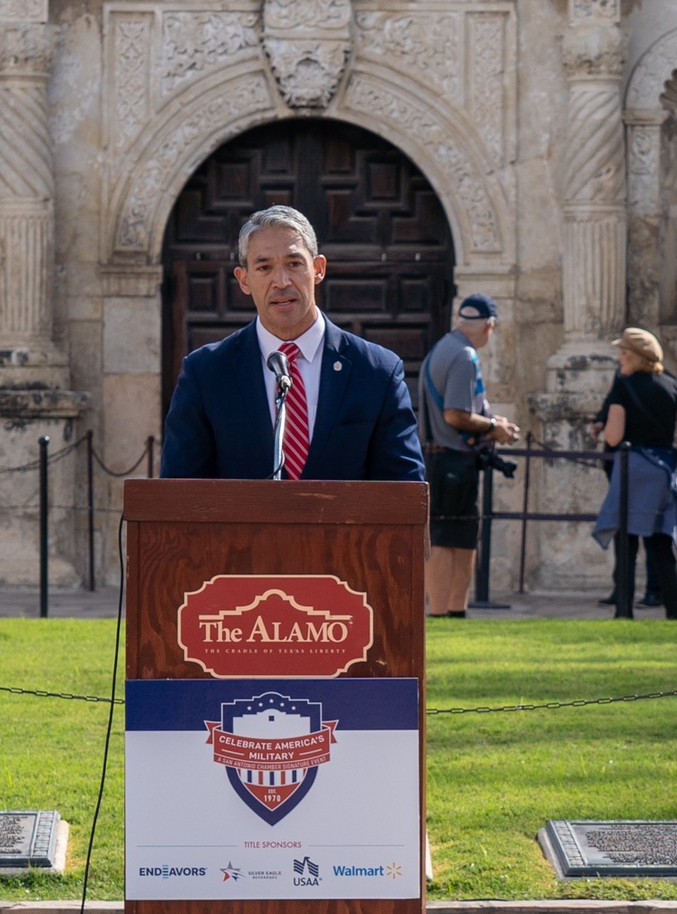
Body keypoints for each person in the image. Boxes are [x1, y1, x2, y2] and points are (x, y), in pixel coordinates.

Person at [160, 205, 424, 482]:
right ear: (244, 279)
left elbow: (404, 490)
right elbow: (180, 493)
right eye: (264, 267)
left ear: (318, 269)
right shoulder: (206, 373)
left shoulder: (377, 371)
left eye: (294, 264)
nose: (281, 282)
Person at [420, 295, 520, 617]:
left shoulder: (444, 348)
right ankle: (442, 612)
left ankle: (452, 611)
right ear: (489, 326)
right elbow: (455, 415)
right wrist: (494, 427)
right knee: (446, 535)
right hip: (452, 459)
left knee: (458, 536)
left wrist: (491, 425)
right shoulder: (464, 356)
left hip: (442, 457)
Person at [592, 327, 677, 619]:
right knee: (661, 544)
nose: (619, 357)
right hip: (662, 469)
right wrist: (674, 459)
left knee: (626, 542)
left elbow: (613, 437)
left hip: (631, 467)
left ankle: (624, 612)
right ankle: (675, 612)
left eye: (623, 352)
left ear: (636, 356)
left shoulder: (623, 386)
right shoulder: (672, 383)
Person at [590, 383, 664, 609]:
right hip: (633, 464)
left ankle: (653, 590)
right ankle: (623, 589)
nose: (621, 356)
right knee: (624, 528)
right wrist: (602, 418)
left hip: (637, 460)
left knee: (648, 531)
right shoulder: (623, 379)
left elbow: (614, 435)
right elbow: (612, 401)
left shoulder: (654, 383)